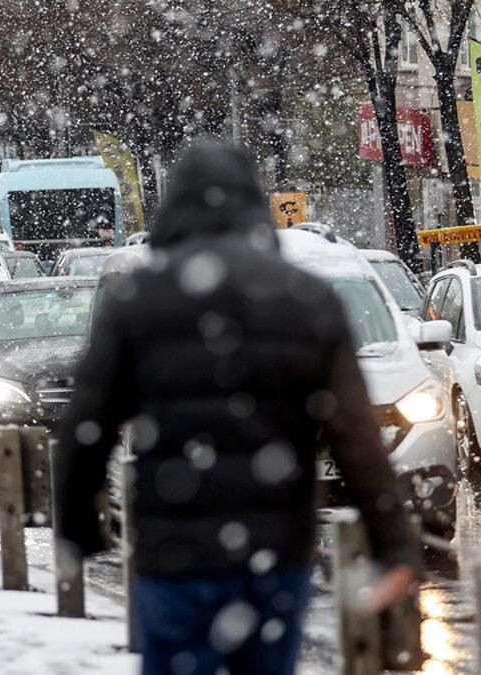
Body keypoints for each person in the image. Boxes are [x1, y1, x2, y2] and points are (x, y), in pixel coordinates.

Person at [55, 141, 420, 675]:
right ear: (255, 209)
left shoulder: (138, 301)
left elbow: (88, 425)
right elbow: (355, 436)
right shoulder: (307, 300)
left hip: (173, 551)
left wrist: (78, 528)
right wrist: (395, 545)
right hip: (274, 552)